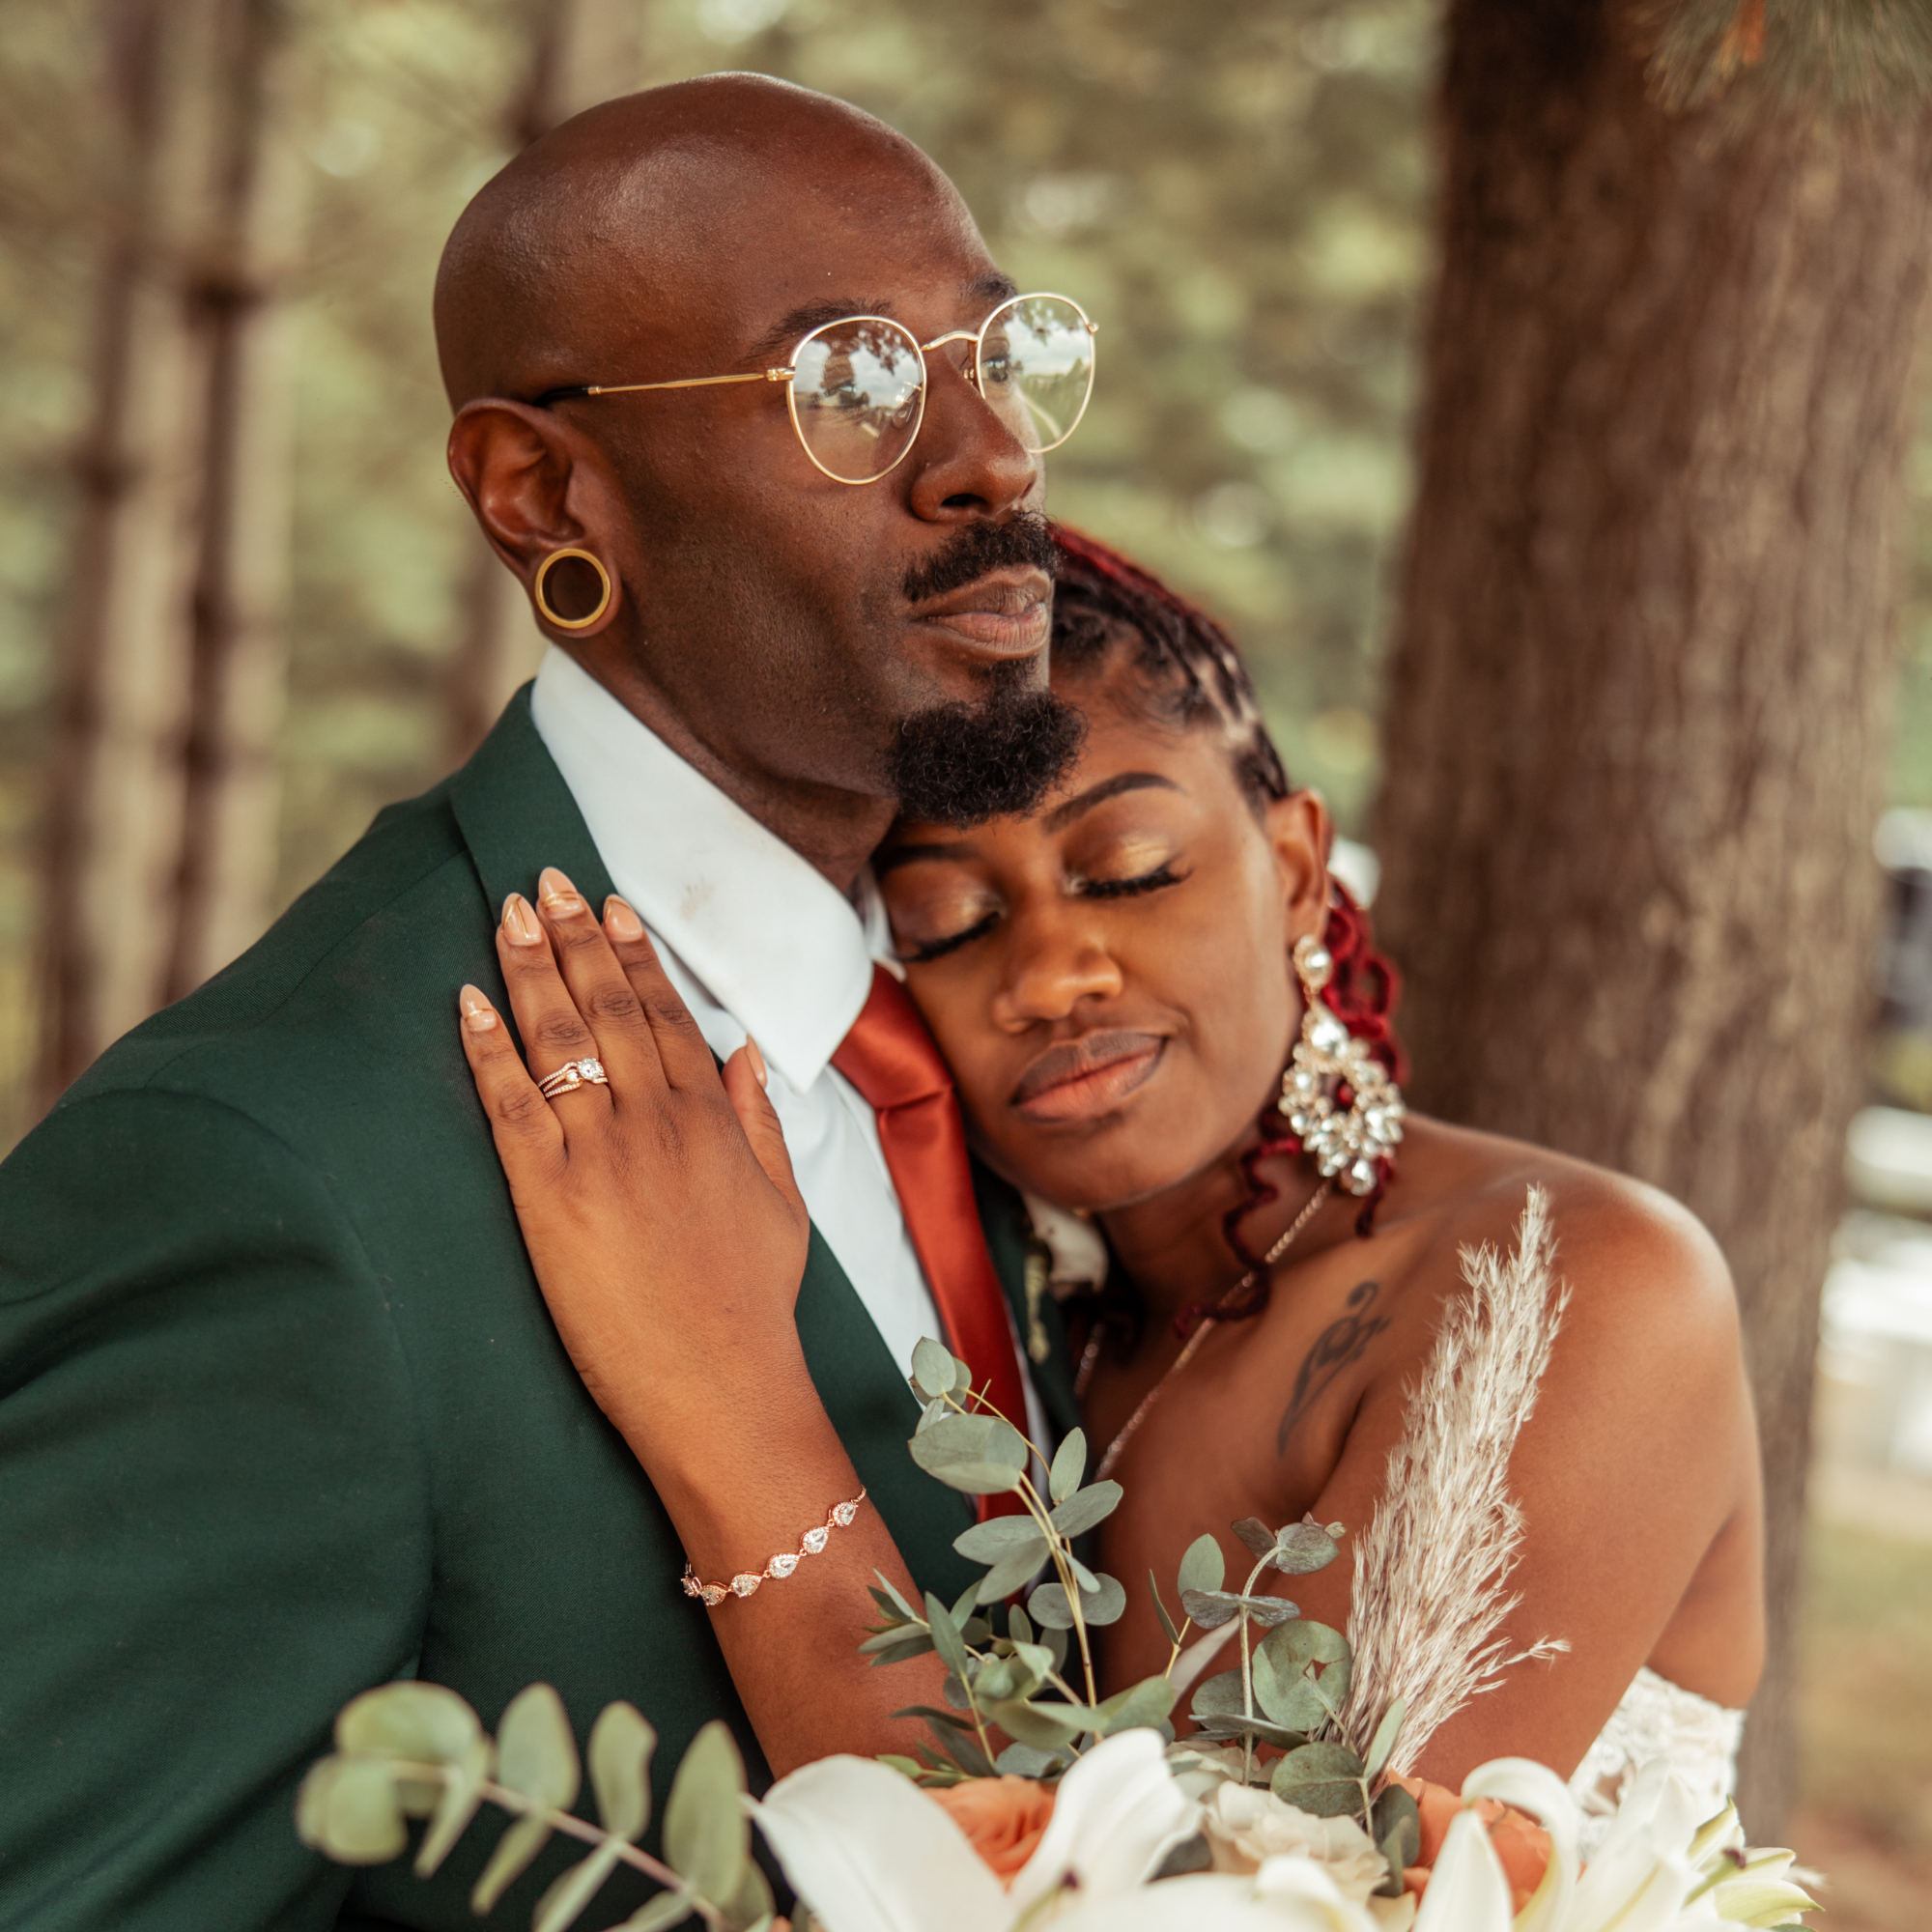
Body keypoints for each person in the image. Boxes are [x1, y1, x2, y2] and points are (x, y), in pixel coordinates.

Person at [0, 77, 1094, 1929]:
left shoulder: (1017, 1048)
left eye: (1001, 350)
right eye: (848, 378)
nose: (989, 453)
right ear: (545, 491)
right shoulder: (273, 1173)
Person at [468, 528, 1764, 1831]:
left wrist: (724, 1404)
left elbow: (1270, 1898)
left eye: (1131, 870)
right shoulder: (1027, 1323)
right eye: (950, 927)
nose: (1048, 975)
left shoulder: (1577, 1288)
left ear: (1301, 877)